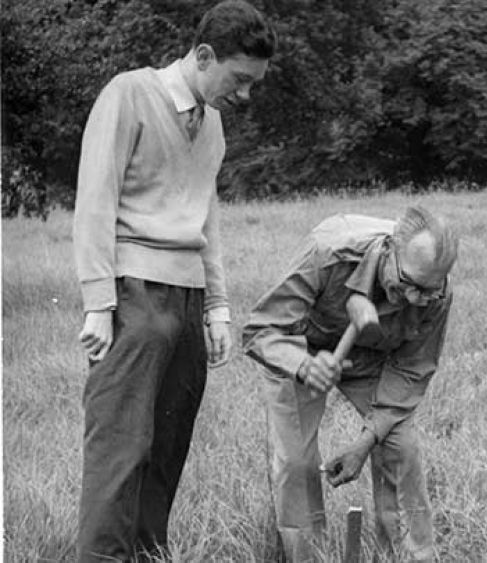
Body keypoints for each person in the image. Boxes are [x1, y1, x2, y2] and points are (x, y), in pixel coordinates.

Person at [71, 1, 275, 560]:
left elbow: (206, 218)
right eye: (239, 79)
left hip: (186, 302)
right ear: (204, 55)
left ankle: (145, 555)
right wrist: (97, 301)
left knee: (166, 451)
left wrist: (217, 307)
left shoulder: (212, 128)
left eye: (253, 84)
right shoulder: (129, 95)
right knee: (121, 449)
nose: (245, 95)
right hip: (133, 296)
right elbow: (95, 198)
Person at [243, 206, 458, 562]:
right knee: (297, 462)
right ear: (389, 249)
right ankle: (307, 556)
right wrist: (305, 367)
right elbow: (261, 330)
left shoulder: (437, 292)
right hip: (301, 346)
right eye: (408, 285)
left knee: (400, 447)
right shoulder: (327, 253)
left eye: (427, 292)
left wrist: (365, 440)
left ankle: (408, 556)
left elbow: (411, 370)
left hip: (371, 354)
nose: (414, 299)